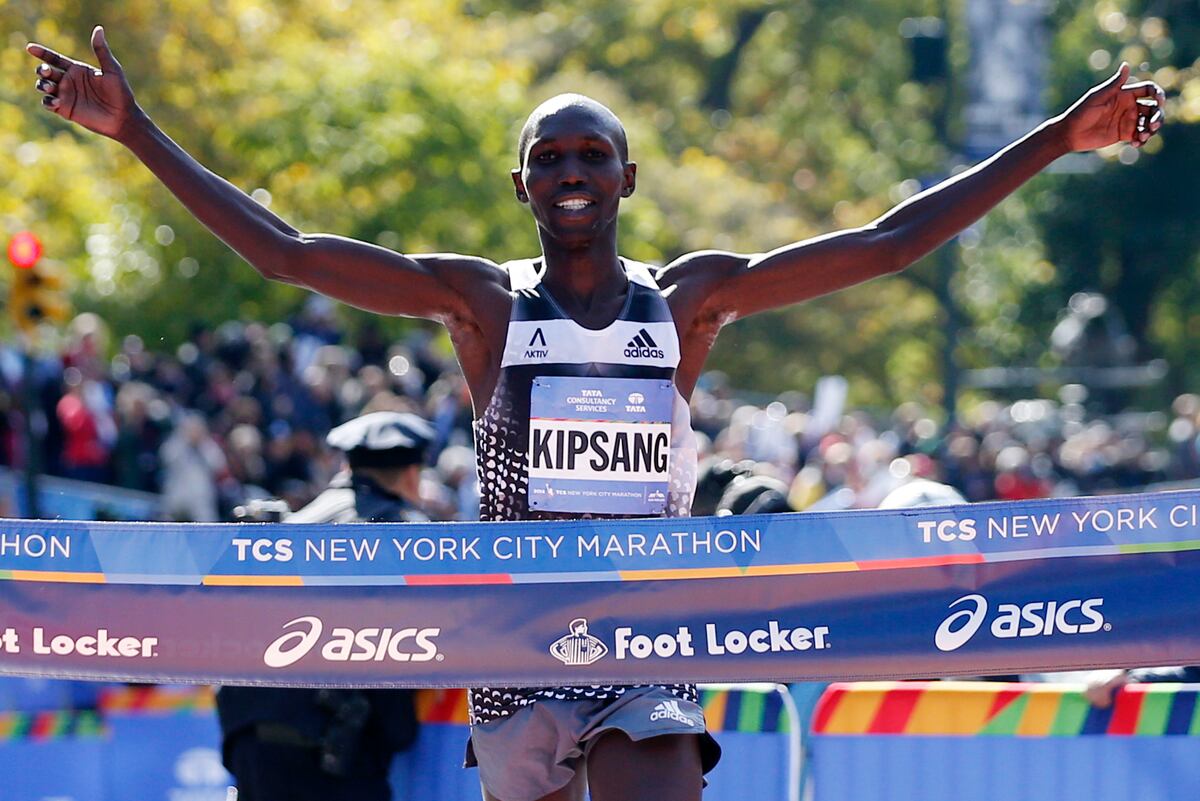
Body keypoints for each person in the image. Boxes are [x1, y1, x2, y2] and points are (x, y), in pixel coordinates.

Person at [26, 26, 1165, 801]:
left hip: (645, 618)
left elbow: (887, 243)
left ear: (626, 180)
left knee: (654, 766)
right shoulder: (481, 305)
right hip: (515, 628)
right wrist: (136, 133)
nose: (573, 169)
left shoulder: (688, 302)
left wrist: (1056, 138)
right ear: (523, 186)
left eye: (594, 154)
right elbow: (285, 256)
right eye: (550, 156)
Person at [216, 411, 433, 801]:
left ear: (347, 467)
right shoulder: (399, 531)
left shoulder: (295, 522)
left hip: (252, 741)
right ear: (412, 475)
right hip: (331, 756)